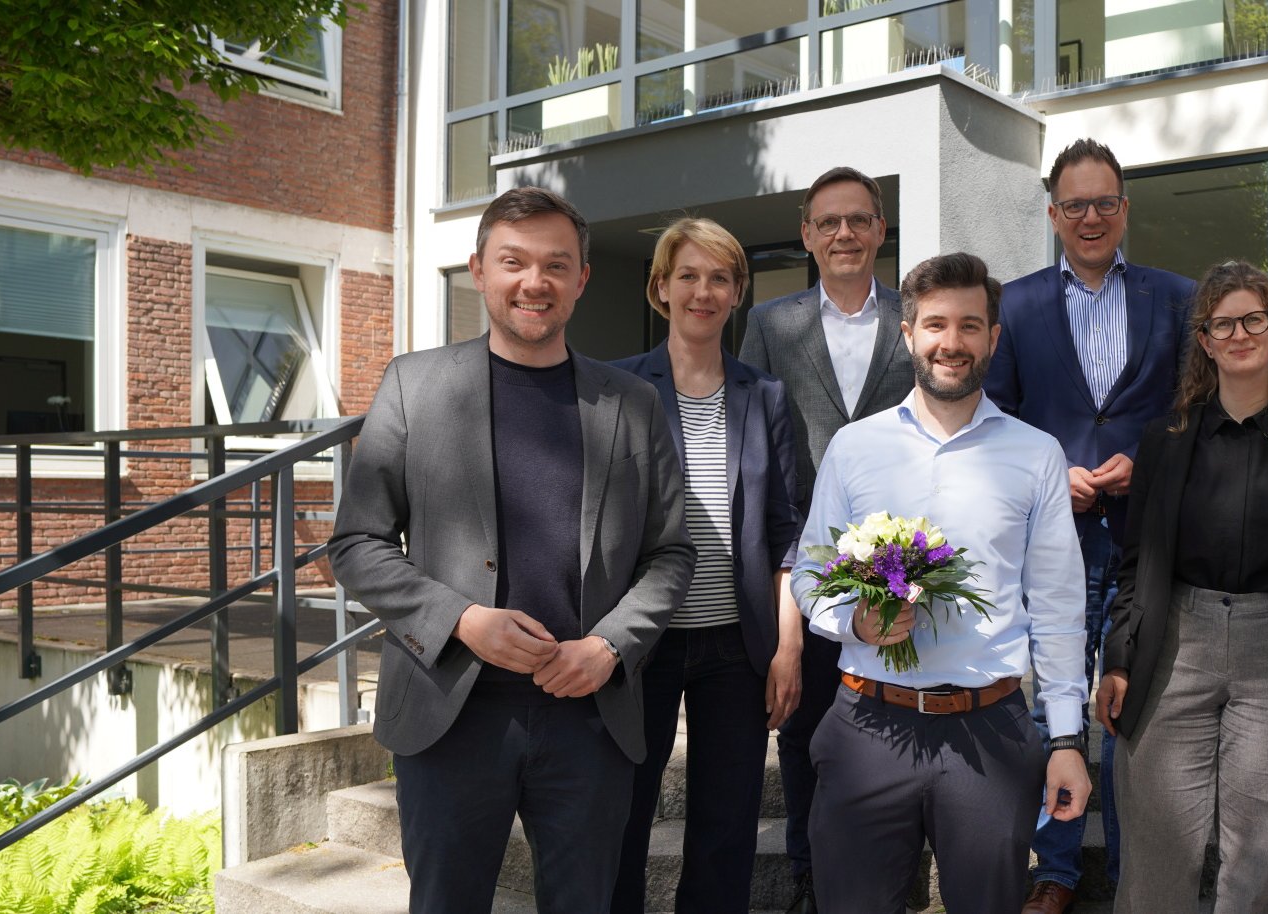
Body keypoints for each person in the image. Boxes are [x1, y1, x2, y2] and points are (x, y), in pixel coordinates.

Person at [328, 186, 694, 913]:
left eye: (557, 265)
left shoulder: (632, 403)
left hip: (590, 718)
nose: (536, 282)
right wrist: (461, 619)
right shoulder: (414, 385)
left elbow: (671, 554)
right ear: (479, 271)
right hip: (450, 714)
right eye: (514, 262)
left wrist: (611, 646)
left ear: (582, 279)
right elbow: (357, 542)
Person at [791, 252, 1093, 914]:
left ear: (993, 336)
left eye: (969, 325)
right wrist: (854, 620)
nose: (950, 343)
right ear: (907, 334)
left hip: (990, 732)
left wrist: (1067, 741)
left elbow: (1061, 607)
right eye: (934, 325)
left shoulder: (1035, 453)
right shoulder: (854, 447)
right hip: (868, 722)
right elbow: (811, 572)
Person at [1094, 261, 1268, 913]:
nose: (1238, 334)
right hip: (1178, 641)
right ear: (1205, 341)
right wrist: (1120, 659)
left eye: (1253, 319)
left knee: (1254, 859)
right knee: (1160, 848)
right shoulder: (1165, 441)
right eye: (1222, 324)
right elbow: (1138, 563)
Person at [984, 137, 1196, 914]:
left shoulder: (1178, 299)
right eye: (1075, 204)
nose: (1091, 216)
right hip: (1055, 540)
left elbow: (1195, 416)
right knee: (1055, 705)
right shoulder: (1016, 304)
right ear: (1052, 215)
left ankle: (1145, 871)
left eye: (1105, 201)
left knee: (1137, 702)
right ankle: (1058, 870)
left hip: (1148, 540)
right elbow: (995, 417)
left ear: (1125, 209)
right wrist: (1050, 473)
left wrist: (1156, 464)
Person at [608, 217, 804, 914]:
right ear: (661, 287)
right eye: (688, 275)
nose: (703, 290)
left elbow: (788, 530)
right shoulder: (618, 388)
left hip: (737, 645)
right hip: (640, 643)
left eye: (719, 277)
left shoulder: (766, 397)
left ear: (737, 293)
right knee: (622, 817)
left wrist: (787, 644)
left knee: (726, 828)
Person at [738, 165, 914, 914]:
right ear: (808, 236)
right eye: (828, 222)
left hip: (904, 562)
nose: (844, 233)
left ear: (880, 230)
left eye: (859, 220)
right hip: (802, 558)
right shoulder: (772, 325)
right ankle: (811, 877)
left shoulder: (916, 317)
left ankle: (897, 881)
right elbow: (749, 441)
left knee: (903, 723)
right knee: (805, 728)